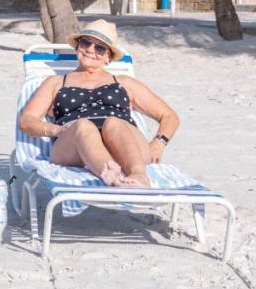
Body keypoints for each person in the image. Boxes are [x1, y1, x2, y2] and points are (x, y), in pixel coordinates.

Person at [18, 20, 179, 187]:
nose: (90, 50)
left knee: (113, 123)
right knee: (83, 126)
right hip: (75, 146)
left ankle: (138, 175)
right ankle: (111, 175)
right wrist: (57, 130)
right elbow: (27, 121)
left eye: (100, 48)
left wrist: (159, 143)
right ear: (78, 46)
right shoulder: (55, 82)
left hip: (124, 143)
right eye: (86, 42)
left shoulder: (124, 82)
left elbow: (169, 116)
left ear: (108, 57)